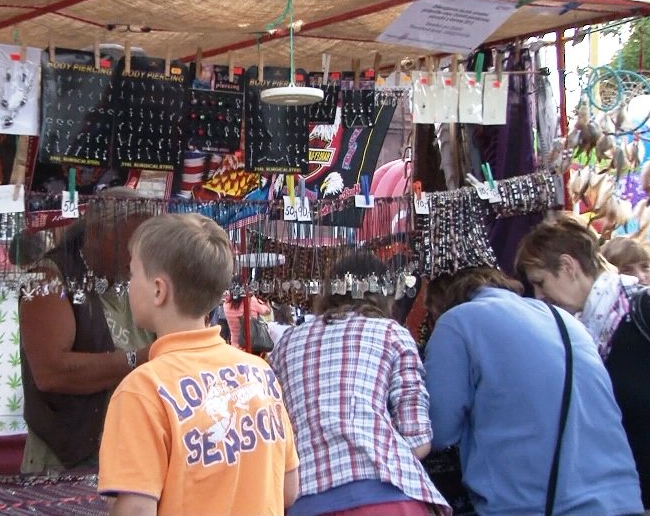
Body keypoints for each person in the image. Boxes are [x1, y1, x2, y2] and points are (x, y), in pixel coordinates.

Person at [98, 213, 299, 515]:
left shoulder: (143, 391)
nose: (128, 284)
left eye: (133, 274)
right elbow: (288, 489)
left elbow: (136, 510)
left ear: (158, 290)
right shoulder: (259, 374)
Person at [424, 265, 642, 515]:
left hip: (538, 504)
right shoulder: (563, 317)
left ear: (439, 304)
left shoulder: (457, 322)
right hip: (620, 497)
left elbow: (436, 430)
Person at [269, 253, 450, 516]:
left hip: (307, 499)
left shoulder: (286, 345)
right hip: (387, 496)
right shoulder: (392, 334)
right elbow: (418, 441)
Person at [18, 187, 156, 473]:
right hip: (68, 458)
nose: (139, 257)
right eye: (132, 244)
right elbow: (51, 372)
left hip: (129, 454)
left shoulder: (135, 279)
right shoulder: (47, 279)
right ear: (96, 233)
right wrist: (140, 359)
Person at [516, 216, 650, 508]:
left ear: (568, 267)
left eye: (540, 282)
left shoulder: (642, 308)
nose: (539, 296)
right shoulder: (584, 333)